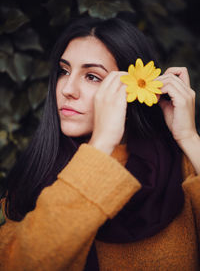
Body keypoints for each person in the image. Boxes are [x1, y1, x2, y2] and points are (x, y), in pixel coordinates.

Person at [0, 14, 199, 271]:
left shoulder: (181, 166)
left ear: (134, 90)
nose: (67, 89)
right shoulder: (36, 172)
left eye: (92, 76)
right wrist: (101, 145)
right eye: (63, 71)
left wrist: (189, 138)